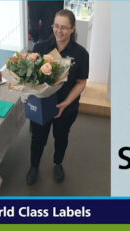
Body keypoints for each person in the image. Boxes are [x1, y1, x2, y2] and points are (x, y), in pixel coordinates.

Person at [27, 9, 89, 185]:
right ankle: (33, 166)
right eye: (56, 26)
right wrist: (28, 93)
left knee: (61, 137)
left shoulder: (81, 54)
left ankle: (58, 163)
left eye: (64, 27)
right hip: (42, 105)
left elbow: (81, 82)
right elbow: (31, 77)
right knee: (37, 138)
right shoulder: (40, 48)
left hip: (66, 106)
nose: (59, 31)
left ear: (72, 29)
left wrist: (66, 103)